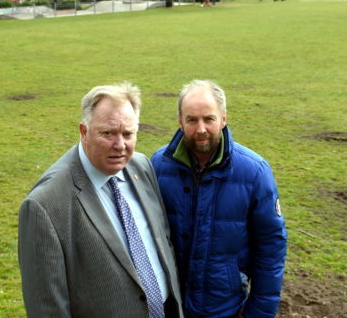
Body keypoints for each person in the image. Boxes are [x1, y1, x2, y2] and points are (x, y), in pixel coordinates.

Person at [19, 83, 183, 318]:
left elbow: (162, 243)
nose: (120, 145)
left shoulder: (141, 166)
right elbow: (47, 307)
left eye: (128, 134)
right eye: (108, 133)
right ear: (83, 131)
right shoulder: (44, 205)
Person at [151, 80, 287, 318]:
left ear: (223, 119)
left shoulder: (254, 172)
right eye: (192, 119)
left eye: (209, 119)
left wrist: (259, 312)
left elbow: (271, 247)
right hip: (169, 307)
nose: (200, 128)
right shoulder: (159, 165)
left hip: (224, 309)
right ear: (180, 121)